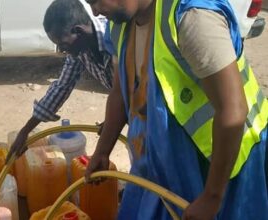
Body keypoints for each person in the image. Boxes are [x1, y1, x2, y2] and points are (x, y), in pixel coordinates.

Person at [84, 0, 268, 219]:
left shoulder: (192, 17)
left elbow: (233, 111)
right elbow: (119, 91)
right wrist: (102, 150)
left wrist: (212, 197)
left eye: (95, 1)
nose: (94, 12)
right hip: (168, 157)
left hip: (225, 160)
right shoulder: (119, 24)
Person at [8, 0, 114, 155]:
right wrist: (25, 132)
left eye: (63, 45)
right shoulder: (79, 49)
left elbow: (137, 86)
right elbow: (62, 87)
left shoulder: (114, 37)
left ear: (78, 31)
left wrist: (116, 118)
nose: (63, 51)